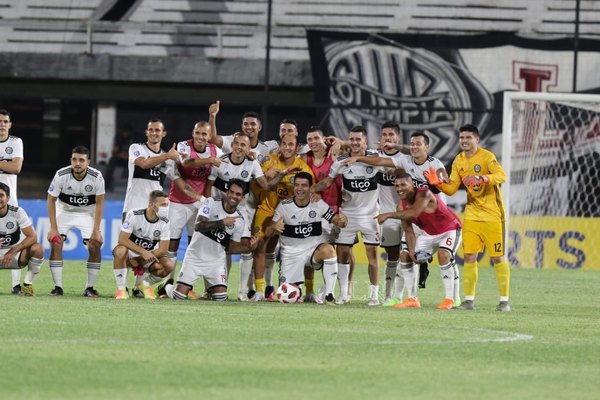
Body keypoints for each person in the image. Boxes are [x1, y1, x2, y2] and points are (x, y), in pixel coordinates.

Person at [342, 130, 458, 305]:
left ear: (427, 146)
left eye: (419, 144)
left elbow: (443, 177)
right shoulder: (405, 161)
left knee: (445, 256)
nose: (414, 147)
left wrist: (442, 180)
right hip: (416, 218)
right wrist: (358, 158)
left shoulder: (435, 164)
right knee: (404, 255)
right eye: (412, 144)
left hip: (438, 219)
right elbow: (380, 160)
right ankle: (403, 297)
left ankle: (453, 298)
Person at [429, 124, 511, 312]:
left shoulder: (487, 157)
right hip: (473, 215)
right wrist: (437, 184)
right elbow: (451, 189)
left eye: (468, 138)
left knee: (498, 258)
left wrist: (482, 178)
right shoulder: (459, 160)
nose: (464, 141)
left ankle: (504, 301)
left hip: (494, 216)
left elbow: (501, 175)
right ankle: (469, 300)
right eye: (462, 138)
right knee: (468, 256)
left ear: (477, 139)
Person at [205, 132, 287, 300]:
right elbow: (208, 187)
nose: (240, 147)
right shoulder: (220, 161)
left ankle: (242, 291)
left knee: (246, 247)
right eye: (237, 144)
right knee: (221, 249)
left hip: (243, 211)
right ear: (232, 145)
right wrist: (208, 208)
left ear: (248, 148)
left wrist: (280, 175)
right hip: (220, 209)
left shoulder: (252, 164)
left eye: (244, 145)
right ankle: (219, 288)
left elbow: (266, 186)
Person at [311, 126, 382, 305]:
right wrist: (312, 189)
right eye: (352, 139)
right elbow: (329, 180)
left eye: (359, 139)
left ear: (365, 141)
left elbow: (393, 168)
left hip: (371, 216)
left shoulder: (376, 158)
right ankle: (343, 294)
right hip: (348, 215)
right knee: (342, 253)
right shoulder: (342, 161)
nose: (355, 143)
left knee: (372, 255)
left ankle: (374, 295)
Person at [376, 173, 462, 309]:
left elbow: (414, 213)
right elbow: (409, 230)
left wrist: (388, 215)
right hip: (429, 234)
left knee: (444, 254)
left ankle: (449, 299)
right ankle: (412, 299)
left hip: (450, 229)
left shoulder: (424, 194)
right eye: (396, 186)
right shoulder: (400, 206)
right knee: (404, 256)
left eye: (403, 184)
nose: (399, 189)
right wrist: (411, 252)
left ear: (412, 185)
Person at [164, 180, 258, 301]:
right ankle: (168, 287)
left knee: (221, 298)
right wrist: (222, 223)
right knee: (179, 296)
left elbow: (230, 247)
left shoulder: (239, 220)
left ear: (242, 197)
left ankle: (210, 290)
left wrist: (249, 248)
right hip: (194, 257)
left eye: (238, 194)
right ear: (226, 192)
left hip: (216, 262)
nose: (233, 196)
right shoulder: (211, 203)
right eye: (231, 192)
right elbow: (199, 225)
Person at [266, 172, 348, 304]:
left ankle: (328, 293)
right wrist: (274, 226)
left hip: (312, 252)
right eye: (297, 185)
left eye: (304, 185)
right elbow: (268, 230)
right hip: (291, 256)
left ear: (310, 187)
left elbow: (337, 221)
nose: (299, 189)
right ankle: (300, 290)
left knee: (328, 249)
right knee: (288, 298)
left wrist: (343, 221)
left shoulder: (318, 204)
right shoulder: (284, 206)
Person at [251, 133, 313, 301]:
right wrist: (269, 175)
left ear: (296, 147)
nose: (287, 147)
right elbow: (258, 184)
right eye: (284, 143)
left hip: (290, 215)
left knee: (296, 251)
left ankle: (297, 288)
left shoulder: (303, 169)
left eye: (290, 144)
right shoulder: (269, 161)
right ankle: (260, 290)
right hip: (266, 210)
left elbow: (308, 194)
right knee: (260, 246)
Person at [122, 118, 180, 297]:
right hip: (132, 208)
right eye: (151, 130)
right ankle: (121, 286)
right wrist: (168, 156)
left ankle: (139, 286)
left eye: (158, 130)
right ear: (146, 132)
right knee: (125, 251)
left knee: (148, 251)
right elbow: (144, 164)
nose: (154, 133)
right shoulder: (136, 148)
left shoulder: (168, 160)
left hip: (154, 212)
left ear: (164, 133)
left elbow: (179, 179)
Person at [165, 120, 222, 288]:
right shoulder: (184, 146)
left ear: (210, 136)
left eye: (204, 134)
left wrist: (206, 205)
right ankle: (168, 282)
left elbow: (210, 182)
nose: (200, 137)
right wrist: (209, 160)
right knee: (172, 244)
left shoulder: (216, 151)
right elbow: (186, 163)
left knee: (194, 245)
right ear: (193, 133)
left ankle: (186, 284)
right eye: (197, 133)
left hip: (199, 203)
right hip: (177, 202)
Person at [47, 145, 105, 297]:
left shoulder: (97, 176)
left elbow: (100, 203)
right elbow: (50, 200)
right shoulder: (61, 174)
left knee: (95, 245)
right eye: (74, 159)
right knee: (55, 241)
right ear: (70, 160)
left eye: (81, 160)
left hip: (87, 213)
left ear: (88, 162)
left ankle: (90, 288)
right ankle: (57, 287)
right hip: (64, 211)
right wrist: (53, 228)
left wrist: (96, 230)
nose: (77, 163)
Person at [113, 190, 173, 300]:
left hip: (148, 257)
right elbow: (122, 239)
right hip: (130, 254)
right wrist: (142, 252)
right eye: (163, 205)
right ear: (151, 205)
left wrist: (141, 259)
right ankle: (121, 290)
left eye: (167, 205)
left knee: (168, 265)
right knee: (120, 251)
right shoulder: (135, 214)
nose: (166, 208)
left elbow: (163, 249)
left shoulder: (165, 222)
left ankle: (143, 285)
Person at [0, 183, 44, 295]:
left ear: (8, 198)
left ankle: (27, 284)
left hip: (14, 256)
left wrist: (12, 252)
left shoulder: (17, 212)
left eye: (1, 195)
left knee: (38, 248)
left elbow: (32, 236)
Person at [0, 109, 25, 294]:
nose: (2, 124)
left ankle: (16, 285)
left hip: (10, 199)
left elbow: (16, 168)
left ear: (10, 124)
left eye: (5, 121)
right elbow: (10, 165)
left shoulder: (16, 142)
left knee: (15, 240)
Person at [104, 125, 133, 191]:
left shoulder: (134, 138)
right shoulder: (119, 138)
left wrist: (129, 155)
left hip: (130, 159)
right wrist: (120, 155)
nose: (125, 134)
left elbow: (138, 152)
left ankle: (133, 187)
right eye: (124, 132)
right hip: (120, 158)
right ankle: (106, 186)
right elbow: (114, 152)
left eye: (127, 132)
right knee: (112, 160)